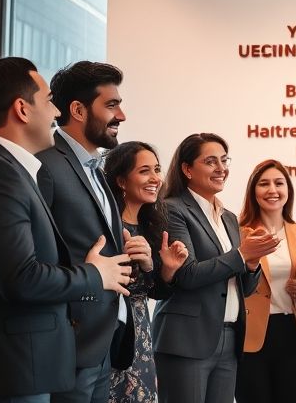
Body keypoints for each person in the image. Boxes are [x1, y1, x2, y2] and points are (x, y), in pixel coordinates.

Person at [0, 57, 132, 403]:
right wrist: (93, 274)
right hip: (6, 370)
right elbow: (21, 279)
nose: (56, 113)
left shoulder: (6, 169)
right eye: (47, 101)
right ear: (22, 110)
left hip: (22, 365)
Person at [35, 61, 148, 403]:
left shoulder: (95, 170)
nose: (122, 116)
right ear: (78, 110)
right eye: (111, 105)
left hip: (104, 340)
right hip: (69, 342)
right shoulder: (44, 164)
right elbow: (36, 256)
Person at [152, 133, 278, 403]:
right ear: (187, 169)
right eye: (211, 162)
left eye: (224, 160)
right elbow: (187, 274)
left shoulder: (229, 218)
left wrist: (252, 264)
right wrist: (242, 254)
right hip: (187, 340)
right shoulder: (172, 209)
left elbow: (242, 287)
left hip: (229, 337)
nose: (221, 168)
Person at [102, 141, 190, 403]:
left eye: (157, 169)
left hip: (141, 335)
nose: (155, 178)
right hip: (109, 332)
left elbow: (155, 292)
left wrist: (166, 271)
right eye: (144, 171)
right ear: (121, 180)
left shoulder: (152, 224)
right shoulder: (107, 224)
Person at [234, 160, 296, 403]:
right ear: (254, 191)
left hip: (293, 335)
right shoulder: (238, 232)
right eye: (264, 184)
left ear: (288, 190)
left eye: (279, 183)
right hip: (250, 336)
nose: (272, 190)